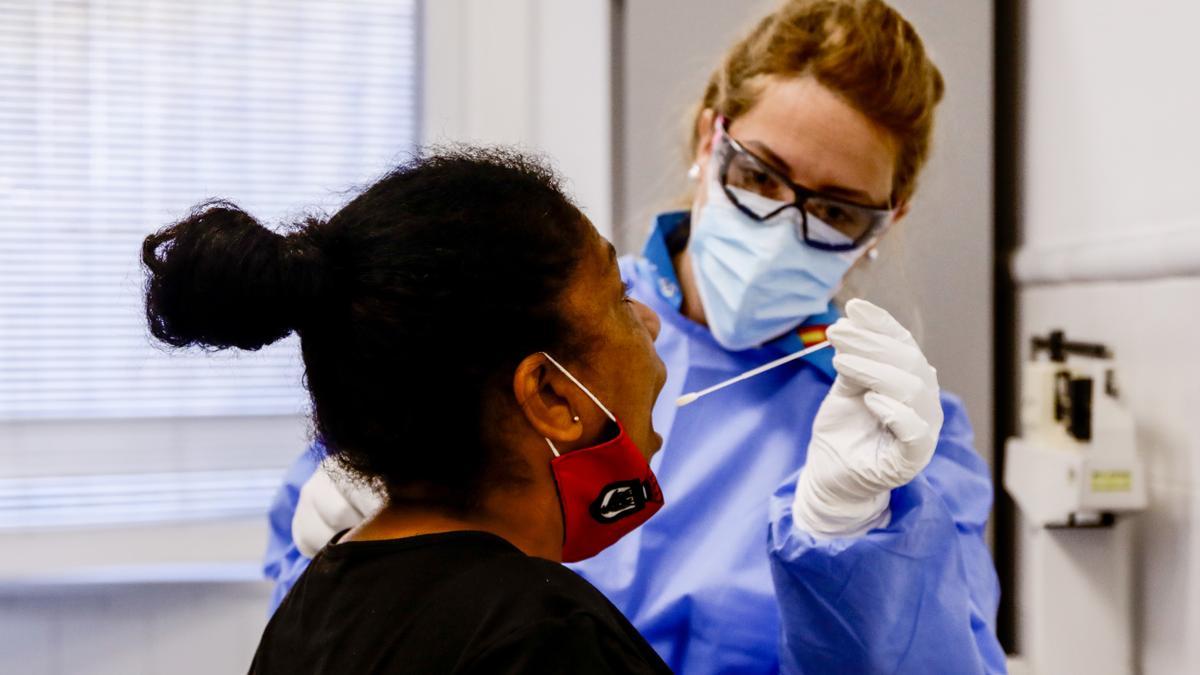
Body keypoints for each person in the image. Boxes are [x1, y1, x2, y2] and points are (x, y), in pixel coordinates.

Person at [268, 1, 1005, 672]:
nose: (785, 225)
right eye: (761, 176)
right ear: (708, 138)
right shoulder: (531, 321)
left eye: (838, 211)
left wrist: (858, 543)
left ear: (888, 220)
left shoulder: (891, 436)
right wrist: (346, 553)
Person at [142, 148, 673, 674]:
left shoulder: (310, 611)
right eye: (621, 297)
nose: (650, 323)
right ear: (552, 396)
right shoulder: (546, 637)